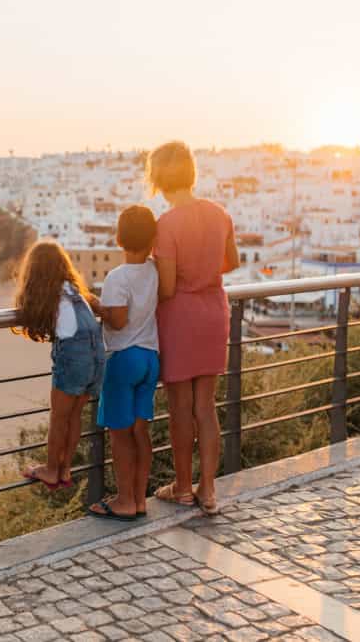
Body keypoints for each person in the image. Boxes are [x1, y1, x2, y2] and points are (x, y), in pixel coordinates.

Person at [149, 141, 240, 515]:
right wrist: (204, 271)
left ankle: (183, 487)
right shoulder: (219, 213)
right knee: (206, 407)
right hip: (214, 313)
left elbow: (167, 287)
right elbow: (231, 262)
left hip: (180, 317)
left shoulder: (166, 224)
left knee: (179, 407)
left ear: (157, 177)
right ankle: (209, 491)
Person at [14, 240, 106, 490]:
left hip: (75, 356)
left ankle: (52, 469)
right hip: (97, 353)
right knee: (74, 415)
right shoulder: (73, 290)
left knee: (59, 417)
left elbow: (33, 315)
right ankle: (65, 469)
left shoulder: (48, 295)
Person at [88, 205, 159, 521]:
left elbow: (117, 321)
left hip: (123, 359)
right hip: (150, 357)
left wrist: (96, 306)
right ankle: (140, 499)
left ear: (118, 238)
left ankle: (124, 500)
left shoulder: (117, 277)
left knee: (119, 435)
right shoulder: (155, 271)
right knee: (140, 433)